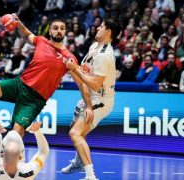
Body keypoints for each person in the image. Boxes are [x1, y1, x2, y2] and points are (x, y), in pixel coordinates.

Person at [61, 18, 122, 180]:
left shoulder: (105, 56)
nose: (97, 28)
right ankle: (78, 162)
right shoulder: (94, 46)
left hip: (100, 100)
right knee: (75, 126)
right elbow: (84, 71)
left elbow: (95, 84)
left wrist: (75, 70)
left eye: (101, 27)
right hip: (89, 95)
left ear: (108, 32)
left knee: (75, 133)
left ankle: (90, 176)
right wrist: (72, 68)